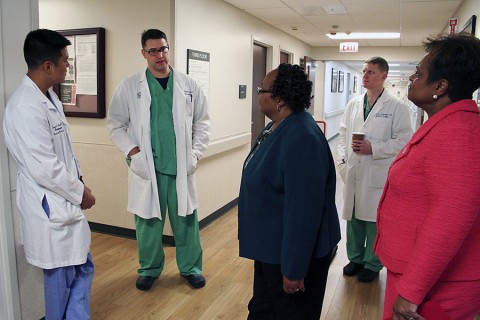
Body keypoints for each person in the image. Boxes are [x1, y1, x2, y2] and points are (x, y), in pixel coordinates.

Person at [374, 33, 480, 320]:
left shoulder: (458, 133)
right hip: (417, 274)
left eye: (418, 73)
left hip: (434, 285)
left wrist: (410, 293)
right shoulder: (445, 123)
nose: (411, 78)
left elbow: (451, 218)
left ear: (440, 86)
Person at [107, 29, 210, 291]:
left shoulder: (188, 85)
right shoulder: (130, 86)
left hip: (180, 168)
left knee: (186, 221)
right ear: (143, 53)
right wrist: (133, 152)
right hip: (148, 168)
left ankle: (191, 268)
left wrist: (195, 154)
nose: (159, 55)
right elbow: (115, 125)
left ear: (168, 49)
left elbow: (203, 123)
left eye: (163, 49)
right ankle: (149, 269)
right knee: (148, 224)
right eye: (153, 51)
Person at [3, 29, 96, 319]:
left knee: (82, 267)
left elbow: (64, 153)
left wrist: (80, 184)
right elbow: (45, 167)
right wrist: (81, 193)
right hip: (50, 208)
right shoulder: (24, 107)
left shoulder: (48, 98)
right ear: (48, 66)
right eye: (65, 61)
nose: (68, 66)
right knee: (60, 283)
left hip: (63, 202)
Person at [238, 63, 341, 319]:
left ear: (280, 99)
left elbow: (303, 212)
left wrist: (294, 269)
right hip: (271, 247)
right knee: (262, 309)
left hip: (290, 256)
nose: (258, 93)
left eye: (262, 89)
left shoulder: (301, 137)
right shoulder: (276, 127)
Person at [337, 57, 413, 283]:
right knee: (354, 220)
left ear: (383, 76)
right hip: (354, 169)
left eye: (371, 72)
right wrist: (342, 160)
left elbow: (405, 140)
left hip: (377, 171)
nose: (365, 75)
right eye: (364, 71)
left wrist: (375, 148)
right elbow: (343, 133)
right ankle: (356, 259)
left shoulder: (397, 107)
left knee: (374, 222)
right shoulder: (353, 103)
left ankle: (372, 264)